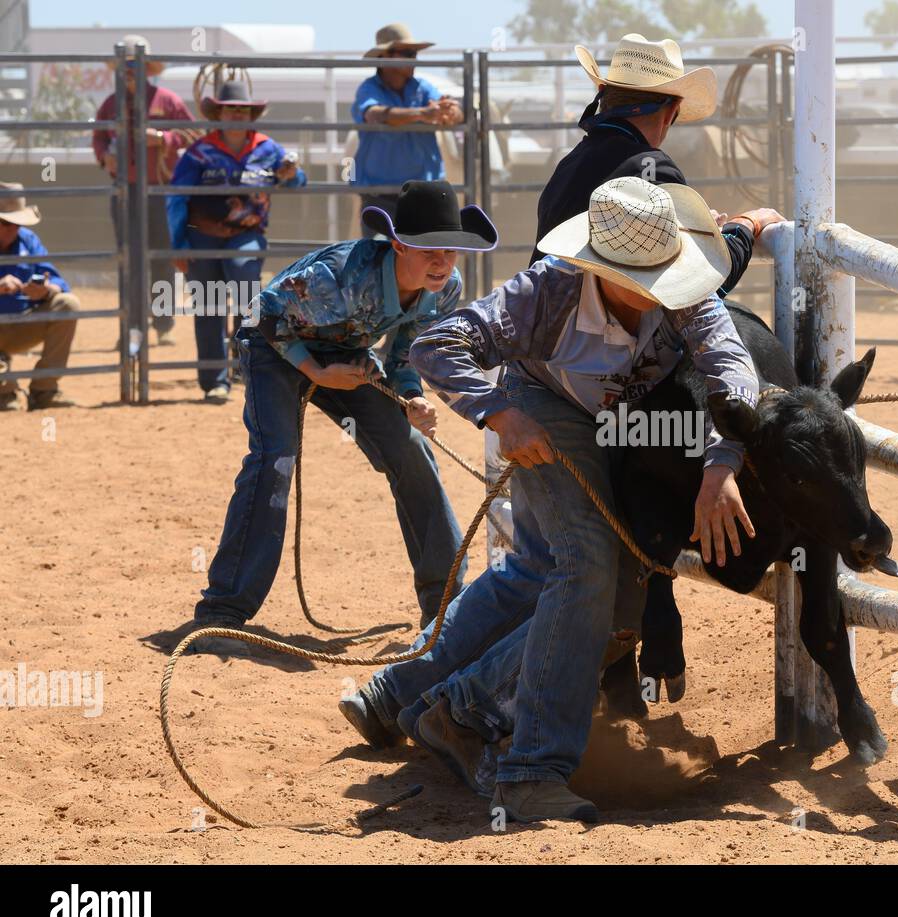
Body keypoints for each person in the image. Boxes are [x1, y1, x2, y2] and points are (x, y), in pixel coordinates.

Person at [339, 177, 761, 823]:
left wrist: (722, 459)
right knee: (587, 559)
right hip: (545, 408)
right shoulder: (550, 290)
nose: (659, 285)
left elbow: (733, 371)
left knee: (538, 567)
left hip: (610, 427)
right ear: (604, 269)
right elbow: (436, 345)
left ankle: (399, 693)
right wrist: (501, 414)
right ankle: (529, 769)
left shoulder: (686, 294)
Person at [188, 180, 496, 652]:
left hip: (346, 355)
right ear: (398, 245)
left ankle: (445, 607)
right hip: (274, 349)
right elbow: (260, 314)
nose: (442, 262)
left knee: (410, 451)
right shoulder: (337, 276)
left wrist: (411, 396)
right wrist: (315, 370)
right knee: (275, 459)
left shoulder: (443, 290)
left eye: (451, 250)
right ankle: (222, 612)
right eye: (428, 249)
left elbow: (404, 356)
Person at [532, 33, 785, 295]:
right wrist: (748, 223)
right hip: (604, 334)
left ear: (602, 95)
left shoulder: (569, 162)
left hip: (550, 324)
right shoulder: (653, 167)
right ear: (671, 111)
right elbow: (702, 282)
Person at [167, 80, 306, 403]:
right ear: (219, 113)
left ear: (251, 114)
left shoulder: (267, 149)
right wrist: (178, 243)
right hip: (200, 237)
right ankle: (215, 380)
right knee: (208, 306)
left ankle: (245, 366)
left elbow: (296, 181)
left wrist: (291, 174)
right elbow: (176, 197)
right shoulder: (199, 152)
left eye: (243, 109)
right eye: (230, 109)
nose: (237, 114)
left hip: (246, 235)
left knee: (247, 291)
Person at [93, 34, 198, 348]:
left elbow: (193, 134)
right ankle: (131, 328)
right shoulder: (110, 105)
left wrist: (164, 139)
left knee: (160, 259)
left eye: (134, 65)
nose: (129, 71)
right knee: (130, 259)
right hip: (125, 190)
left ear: (146, 68)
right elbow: (98, 139)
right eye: (125, 66)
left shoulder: (167, 100)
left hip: (160, 191)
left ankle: (162, 324)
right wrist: (105, 156)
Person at [352, 23, 463, 238]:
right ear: (385, 56)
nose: (414, 58)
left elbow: (453, 113)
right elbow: (374, 114)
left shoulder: (422, 87)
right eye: (407, 53)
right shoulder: (369, 89)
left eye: (414, 53)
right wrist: (423, 114)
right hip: (382, 196)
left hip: (424, 195)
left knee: (424, 257)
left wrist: (450, 113)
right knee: (380, 256)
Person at [0, 183, 81, 412]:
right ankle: (4, 390)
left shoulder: (28, 240)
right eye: (6, 223)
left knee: (67, 304)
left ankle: (44, 389)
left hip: (23, 323)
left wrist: (46, 290)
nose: (12, 229)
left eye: (17, 223)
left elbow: (59, 283)